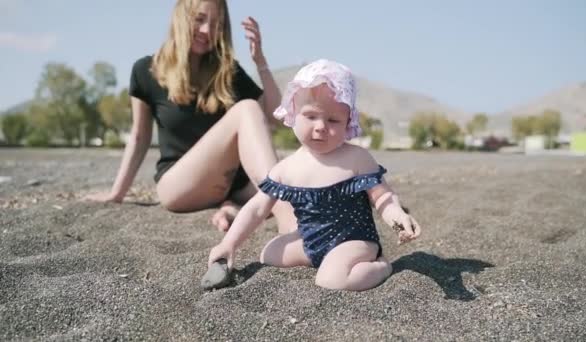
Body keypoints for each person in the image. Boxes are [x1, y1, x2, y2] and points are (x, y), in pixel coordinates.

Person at [207, 59, 422, 291]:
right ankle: (321, 260)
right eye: (311, 116)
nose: (320, 126)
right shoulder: (286, 169)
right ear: (293, 113)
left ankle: (381, 266)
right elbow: (256, 209)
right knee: (267, 255)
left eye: (333, 120)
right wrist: (228, 244)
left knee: (331, 280)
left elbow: (382, 197)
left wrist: (396, 215)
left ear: (347, 122)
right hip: (310, 242)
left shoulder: (357, 159)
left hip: (353, 241)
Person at [85, 0, 296, 233]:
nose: (207, 30)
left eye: (216, 24)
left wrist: (261, 62)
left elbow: (277, 118)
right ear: (180, 17)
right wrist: (117, 193)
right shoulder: (146, 71)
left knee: (300, 175)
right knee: (246, 109)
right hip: (181, 186)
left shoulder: (226, 71)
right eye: (199, 19)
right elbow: (139, 137)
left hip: (233, 186)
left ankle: (234, 208)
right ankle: (287, 220)